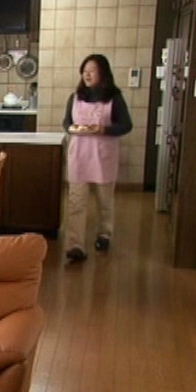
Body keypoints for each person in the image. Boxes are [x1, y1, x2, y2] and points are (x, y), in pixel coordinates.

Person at [62, 54, 132, 261]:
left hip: (103, 156)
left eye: (91, 71)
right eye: (84, 71)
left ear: (103, 73)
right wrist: (72, 128)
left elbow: (126, 125)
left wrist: (104, 129)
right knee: (76, 202)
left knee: (104, 201)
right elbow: (66, 123)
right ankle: (75, 245)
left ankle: (104, 234)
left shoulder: (114, 98)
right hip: (79, 155)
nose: (87, 75)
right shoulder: (75, 98)